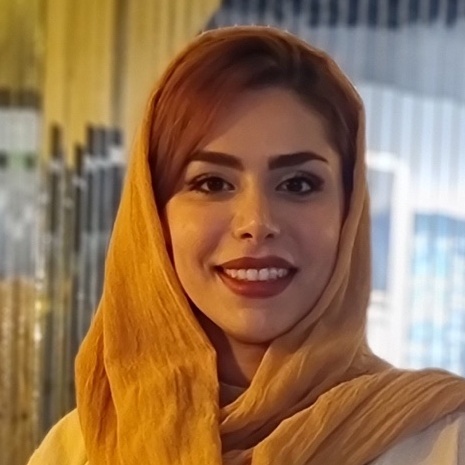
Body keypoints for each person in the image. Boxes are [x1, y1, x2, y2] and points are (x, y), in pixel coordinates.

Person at [28, 25, 465, 465]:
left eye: (298, 184)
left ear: (348, 211)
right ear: (153, 216)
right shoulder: (79, 449)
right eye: (212, 183)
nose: (256, 222)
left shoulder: (442, 444)